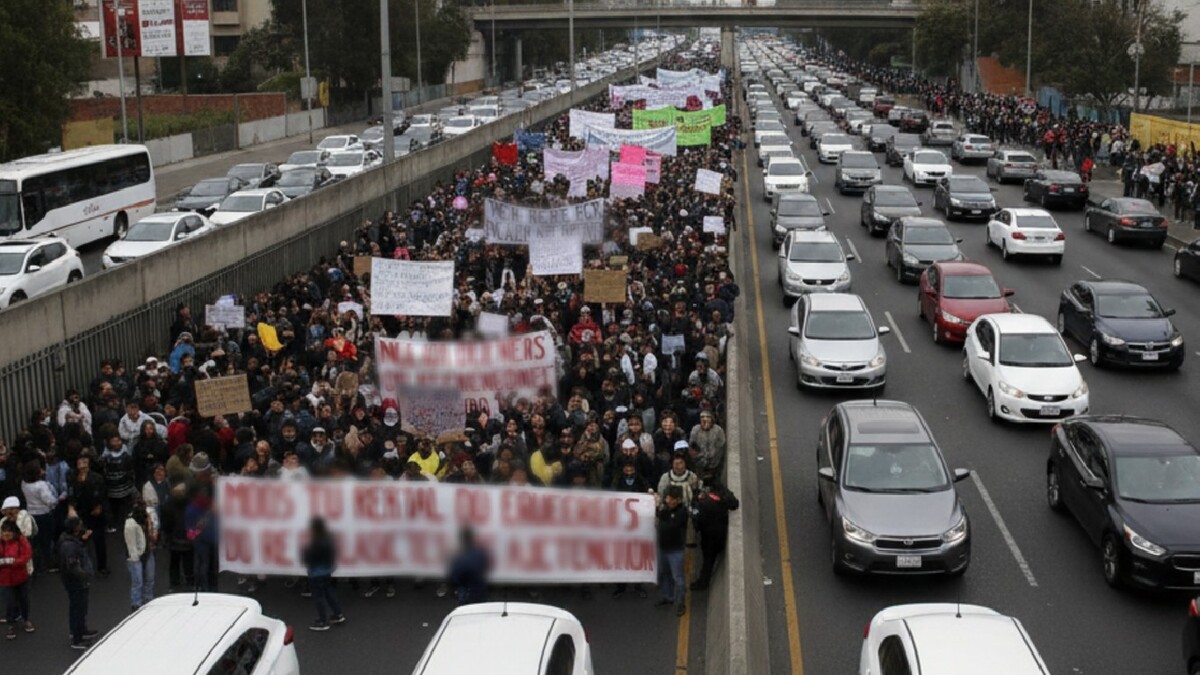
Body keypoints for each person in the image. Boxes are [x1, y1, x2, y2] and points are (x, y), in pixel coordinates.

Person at [689, 478, 740, 591]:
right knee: (709, 559)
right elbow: (734, 504)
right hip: (721, 533)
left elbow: (696, 523)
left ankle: (703, 583)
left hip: (708, 537)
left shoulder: (699, 502)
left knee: (708, 560)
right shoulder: (722, 493)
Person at [59, 515, 97, 650]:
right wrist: (85, 576)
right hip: (76, 582)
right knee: (78, 608)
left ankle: (81, 630)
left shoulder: (70, 541)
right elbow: (73, 566)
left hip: (76, 581)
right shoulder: (69, 545)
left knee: (80, 607)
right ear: (75, 528)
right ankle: (77, 638)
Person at [301, 516, 344, 631]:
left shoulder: (314, 543)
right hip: (327, 570)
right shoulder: (329, 538)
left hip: (316, 573)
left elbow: (307, 559)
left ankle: (322, 621)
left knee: (318, 597)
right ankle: (338, 614)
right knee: (329, 592)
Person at [655, 485, 689, 617]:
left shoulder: (682, 513)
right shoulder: (667, 510)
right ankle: (667, 596)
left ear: (679, 500)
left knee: (678, 578)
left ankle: (680, 601)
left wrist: (658, 510)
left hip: (675, 550)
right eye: (668, 497)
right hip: (663, 548)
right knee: (665, 574)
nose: (669, 500)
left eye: (672, 499)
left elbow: (670, 526)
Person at [0, 520, 34, 638]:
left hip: (20, 576)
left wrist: (14, 562)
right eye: (3, 533)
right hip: (5, 579)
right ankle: (11, 623)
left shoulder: (21, 540)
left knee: (24, 599)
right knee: (9, 602)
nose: (5, 535)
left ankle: (25, 619)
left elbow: (27, 555)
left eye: (8, 533)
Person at [124, 500, 156, 611]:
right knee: (138, 582)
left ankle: (149, 600)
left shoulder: (147, 518)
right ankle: (136, 604)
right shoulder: (130, 523)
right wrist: (134, 559)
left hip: (148, 552)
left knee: (150, 579)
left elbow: (152, 535)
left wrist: (150, 524)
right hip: (135, 556)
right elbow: (130, 543)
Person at [447, 527, 489, 605]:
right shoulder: (480, 553)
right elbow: (486, 567)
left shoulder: (460, 557)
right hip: (480, 592)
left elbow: (455, 577)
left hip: (466, 594)